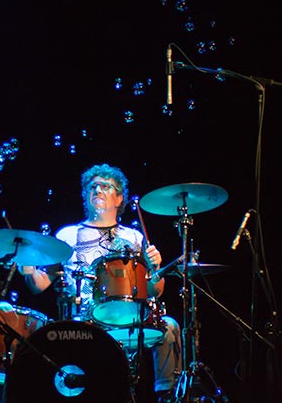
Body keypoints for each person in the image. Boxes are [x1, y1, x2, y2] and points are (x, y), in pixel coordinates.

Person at [18, 163, 181, 402]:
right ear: (85, 195)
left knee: (169, 327)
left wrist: (155, 268)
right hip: (82, 324)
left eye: (106, 186)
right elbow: (39, 285)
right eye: (92, 186)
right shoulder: (67, 235)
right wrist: (29, 270)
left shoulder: (134, 237)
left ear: (119, 198)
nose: (98, 190)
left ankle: (165, 396)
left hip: (128, 321)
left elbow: (153, 291)